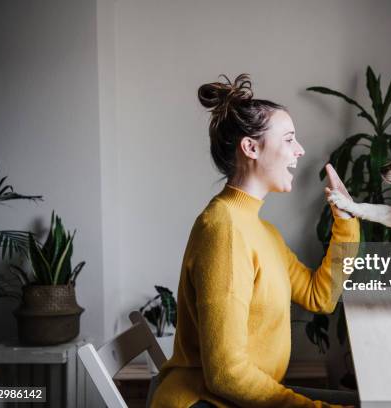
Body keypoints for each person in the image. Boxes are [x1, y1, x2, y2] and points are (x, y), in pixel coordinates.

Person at [151, 74, 360, 408]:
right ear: (250, 147)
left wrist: (346, 224)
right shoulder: (224, 230)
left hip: (240, 397)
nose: (300, 150)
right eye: (289, 139)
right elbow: (226, 375)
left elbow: (321, 297)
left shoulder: (262, 232)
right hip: (205, 402)